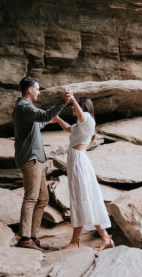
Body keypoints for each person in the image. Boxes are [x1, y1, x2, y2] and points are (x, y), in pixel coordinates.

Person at [13, 76, 71, 251]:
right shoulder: (24, 107)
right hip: (31, 159)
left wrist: (49, 120)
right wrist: (64, 102)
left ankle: (34, 236)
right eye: (37, 89)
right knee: (31, 198)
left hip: (37, 158)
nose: (38, 92)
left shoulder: (26, 109)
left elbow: (38, 124)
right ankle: (25, 237)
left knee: (43, 199)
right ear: (29, 90)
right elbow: (44, 115)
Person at [51, 96, 114, 251]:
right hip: (76, 162)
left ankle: (75, 241)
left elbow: (80, 114)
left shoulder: (87, 119)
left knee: (80, 198)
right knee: (83, 198)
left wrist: (72, 99)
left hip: (79, 162)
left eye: (75, 106)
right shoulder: (81, 124)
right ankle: (105, 237)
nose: (72, 108)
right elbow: (68, 128)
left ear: (82, 107)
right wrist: (58, 119)